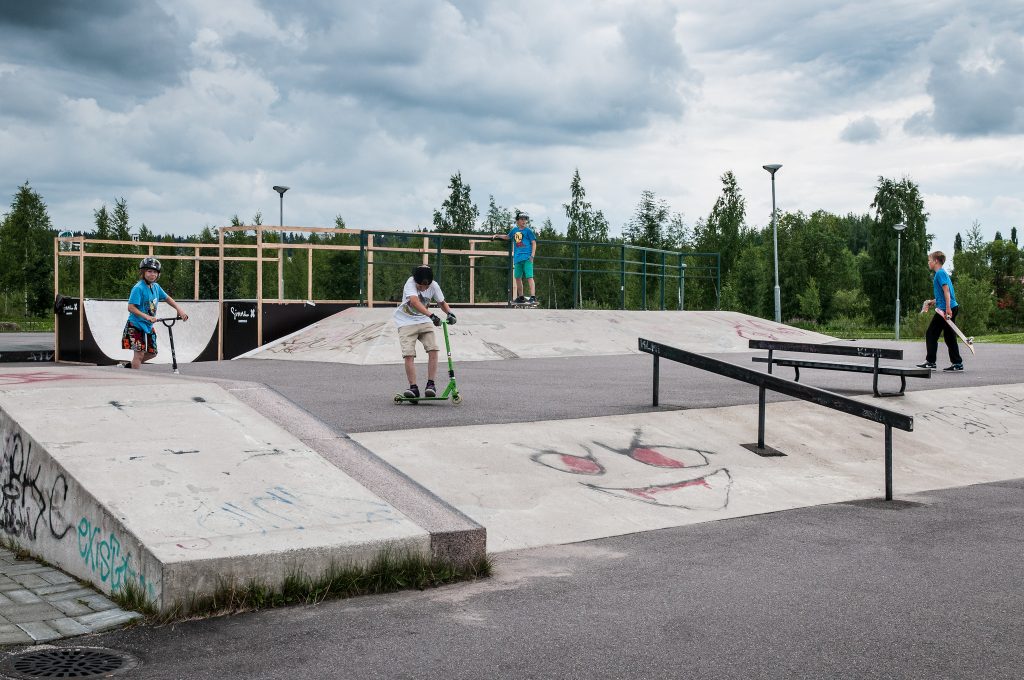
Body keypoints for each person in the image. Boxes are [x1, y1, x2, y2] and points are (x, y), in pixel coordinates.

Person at [394, 264, 456, 398]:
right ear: (415, 281)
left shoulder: (434, 285)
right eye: (420, 286)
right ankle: (413, 388)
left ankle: (431, 385)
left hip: (424, 321)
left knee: (433, 349)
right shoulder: (410, 283)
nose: (423, 289)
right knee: (409, 354)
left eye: (425, 287)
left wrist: (450, 313)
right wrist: (432, 315)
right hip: (405, 322)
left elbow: (442, 302)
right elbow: (415, 302)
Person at [122, 257, 189, 369]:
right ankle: (134, 380)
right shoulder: (138, 288)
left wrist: (179, 309)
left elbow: (167, 298)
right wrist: (146, 316)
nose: (152, 274)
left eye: (154, 272)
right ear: (143, 272)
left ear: (158, 274)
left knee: (153, 353)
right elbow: (131, 308)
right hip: (135, 325)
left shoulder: (156, 287)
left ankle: (132, 365)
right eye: (149, 271)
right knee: (139, 354)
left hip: (148, 325)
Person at [917, 250, 963, 372]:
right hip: (951, 306)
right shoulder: (942, 273)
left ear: (936, 261)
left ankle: (931, 362)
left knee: (931, 333)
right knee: (949, 336)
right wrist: (933, 301)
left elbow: (947, 291)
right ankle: (957, 363)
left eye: (929, 260)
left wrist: (947, 309)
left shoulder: (940, 274)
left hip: (945, 309)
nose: (928, 263)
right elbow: (943, 294)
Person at [491, 210, 537, 305]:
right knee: (517, 278)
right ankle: (521, 297)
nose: (524, 221)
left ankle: (533, 297)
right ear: (517, 221)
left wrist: (532, 255)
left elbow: (534, 243)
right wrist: (497, 235)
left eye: (525, 219)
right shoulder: (514, 230)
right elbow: (508, 237)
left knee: (529, 277)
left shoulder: (528, 231)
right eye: (522, 219)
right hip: (517, 258)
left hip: (527, 257)